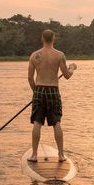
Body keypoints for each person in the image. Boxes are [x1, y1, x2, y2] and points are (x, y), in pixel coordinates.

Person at [27, 28, 75, 163]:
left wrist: (36, 92)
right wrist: (72, 67)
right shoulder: (59, 55)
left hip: (39, 89)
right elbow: (66, 75)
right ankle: (61, 155)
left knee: (37, 122)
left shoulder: (34, 55)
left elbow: (30, 78)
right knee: (56, 123)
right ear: (53, 39)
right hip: (53, 90)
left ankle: (34, 155)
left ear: (42, 39)